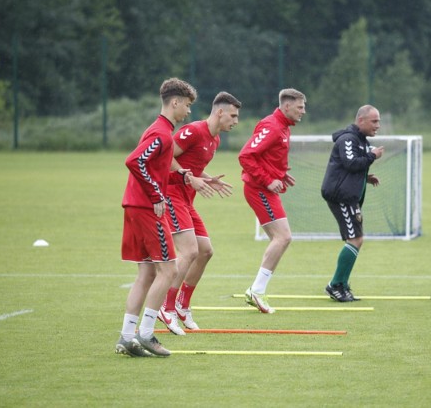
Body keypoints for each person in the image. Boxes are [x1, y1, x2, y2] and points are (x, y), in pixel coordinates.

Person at [115, 77, 197, 357]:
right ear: (174, 102)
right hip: (147, 209)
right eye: (186, 106)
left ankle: (127, 337)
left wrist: (181, 175)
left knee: (148, 273)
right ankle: (147, 335)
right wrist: (157, 196)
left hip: (135, 207)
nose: (188, 112)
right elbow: (135, 161)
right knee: (169, 270)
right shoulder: (162, 133)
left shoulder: (161, 131)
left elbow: (153, 166)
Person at [158, 92, 242, 334]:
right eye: (233, 115)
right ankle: (167, 306)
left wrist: (207, 178)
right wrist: (188, 177)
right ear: (219, 112)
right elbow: (165, 157)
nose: (235, 121)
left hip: (187, 199)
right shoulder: (194, 130)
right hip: (171, 194)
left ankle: (183, 306)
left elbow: (192, 167)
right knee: (190, 251)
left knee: (205, 251)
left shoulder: (214, 140)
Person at [238, 88, 306, 313]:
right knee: (283, 237)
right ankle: (256, 291)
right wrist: (268, 180)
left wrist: (281, 173)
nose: (303, 111)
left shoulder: (284, 127)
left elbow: (267, 156)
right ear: (286, 106)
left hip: (264, 188)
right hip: (259, 189)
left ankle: (256, 290)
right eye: (300, 107)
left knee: (280, 240)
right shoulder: (272, 126)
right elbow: (246, 156)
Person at [320, 105, 385, 302]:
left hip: (347, 194)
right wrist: (373, 155)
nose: (378, 125)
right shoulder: (348, 139)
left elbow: (351, 166)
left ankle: (342, 284)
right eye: (374, 121)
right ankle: (336, 285)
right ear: (361, 120)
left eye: (378, 121)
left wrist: (365, 177)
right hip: (341, 195)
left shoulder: (360, 140)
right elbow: (350, 162)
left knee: (356, 238)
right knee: (355, 238)